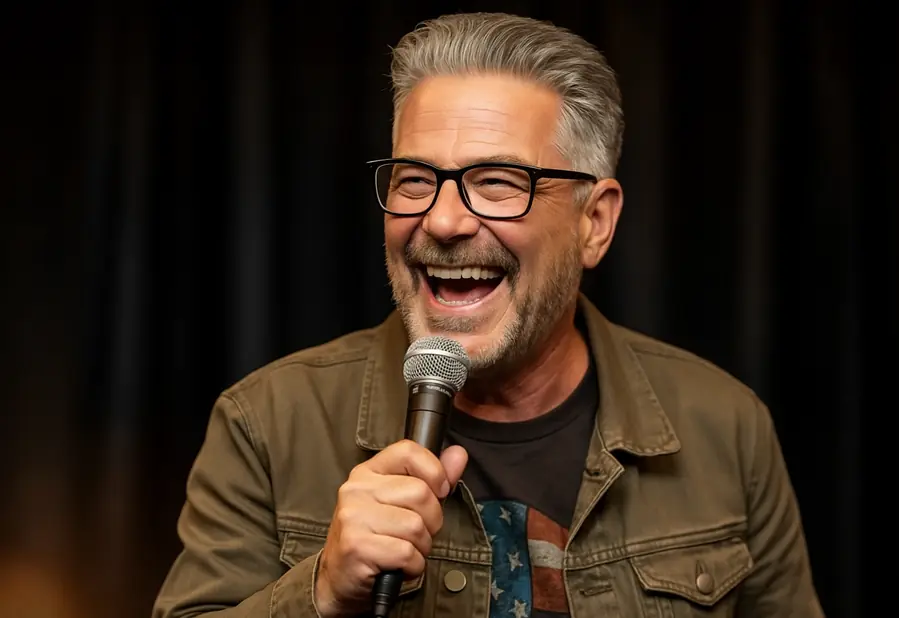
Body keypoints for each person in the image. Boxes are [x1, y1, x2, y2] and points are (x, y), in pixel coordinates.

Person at [152, 11, 825, 618]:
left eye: (498, 183)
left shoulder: (725, 428)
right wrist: (320, 592)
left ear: (595, 222)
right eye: (415, 179)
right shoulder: (267, 425)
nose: (442, 220)